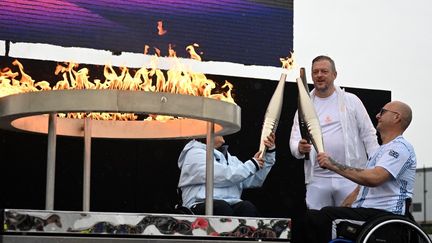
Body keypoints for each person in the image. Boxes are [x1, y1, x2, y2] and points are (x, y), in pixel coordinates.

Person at [294, 100, 416, 243]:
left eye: (382, 112)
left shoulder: (400, 147)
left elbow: (375, 178)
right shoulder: (380, 151)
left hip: (385, 217)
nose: (377, 115)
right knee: (313, 216)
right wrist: (344, 207)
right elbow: (359, 189)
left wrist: (333, 165)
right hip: (368, 214)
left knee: (322, 217)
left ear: (397, 117)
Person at [289, 55, 379, 209]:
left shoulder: (351, 101)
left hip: (350, 176)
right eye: (315, 72)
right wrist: (299, 147)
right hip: (317, 178)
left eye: (324, 71)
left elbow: (369, 134)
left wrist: (375, 167)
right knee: (317, 223)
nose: (319, 75)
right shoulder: (305, 105)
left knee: (350, 223)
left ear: (334, 75)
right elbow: (294, 139)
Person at [177, 133, 276, 216]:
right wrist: (252, 164)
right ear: (204, 133)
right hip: (199, 205)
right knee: (221, 208)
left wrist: (267, 154)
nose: (223, 131)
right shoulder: (194, 153)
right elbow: (222, 175)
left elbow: (253, 180)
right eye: (218, 128)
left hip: (229, 205)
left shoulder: (231, 159)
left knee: (247, 207)